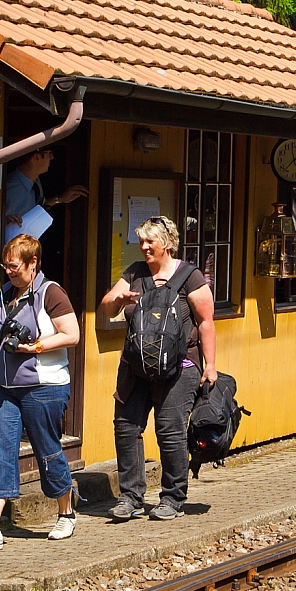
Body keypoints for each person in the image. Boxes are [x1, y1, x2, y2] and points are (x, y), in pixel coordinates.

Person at [0, 234, 81, 553]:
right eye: (6, 266)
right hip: (5, 387)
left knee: (47, 449)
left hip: (45, 385)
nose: (9, 271)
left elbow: (72, 334)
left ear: (32, 263)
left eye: (15, 266)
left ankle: (66, 512)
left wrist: (36, 345)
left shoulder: (51, 293)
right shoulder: (5, 294)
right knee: (0, 451)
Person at [100, 216, 217, 521]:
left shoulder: (189, 276)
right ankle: (130, 497)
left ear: (167, 243)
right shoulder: (135, 273)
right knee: (126, 427)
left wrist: (211, 366)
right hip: (135, 366)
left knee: (170, 431)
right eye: (141, 241)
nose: (144, 247)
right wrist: (119, 299)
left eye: (150, 241)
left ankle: (173, 498)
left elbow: (206, 323)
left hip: (179, 367)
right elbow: (108, 306)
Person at [5, 147, 87, 229]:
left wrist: (60, 199)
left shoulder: (35, 181)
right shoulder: (9, 189)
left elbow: (39, 207)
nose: (52, 157)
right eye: (49, 153)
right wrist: (4, 222)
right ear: (37, 157)